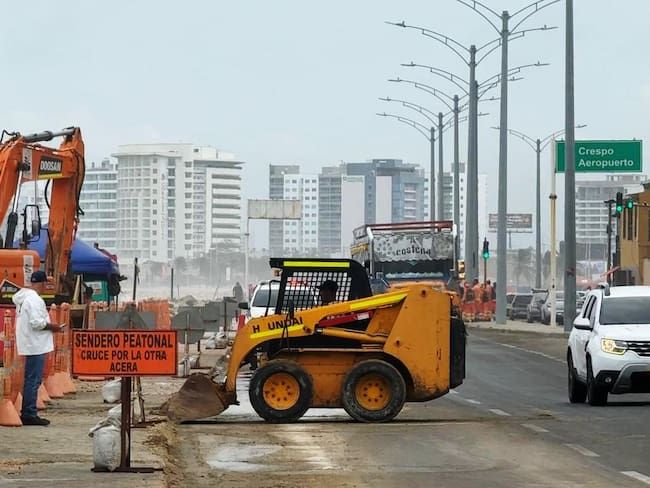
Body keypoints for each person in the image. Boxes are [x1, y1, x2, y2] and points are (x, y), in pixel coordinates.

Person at [12, 270, 65, 426]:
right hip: (36, 344)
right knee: (33, 380)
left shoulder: (23, 298)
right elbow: (37, 323)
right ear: (42, 283)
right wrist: (54, 327)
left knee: (30, 379)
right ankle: (29, 413)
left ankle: (28, 411)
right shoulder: (35, 300)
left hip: (29, 343)